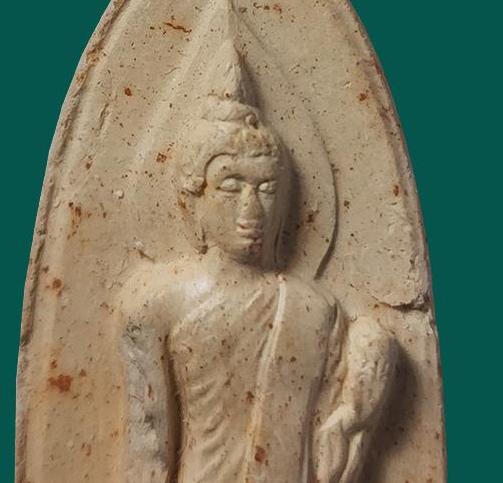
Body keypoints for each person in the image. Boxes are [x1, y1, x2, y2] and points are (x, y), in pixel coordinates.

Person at [118, 42, 395, 483]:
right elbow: (149, 445)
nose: (251, 209)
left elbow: (332, 444)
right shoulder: (157, 307)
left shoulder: (314, 309)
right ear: (193, 199)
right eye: (230, 187)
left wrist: (356, 405)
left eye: (266, 189)